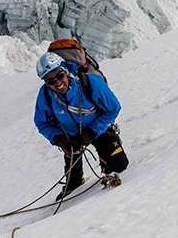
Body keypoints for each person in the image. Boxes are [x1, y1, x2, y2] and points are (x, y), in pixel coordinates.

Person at [33, 52, 129, 199]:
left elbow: (113, 108)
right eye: (51, 81)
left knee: (119, 165)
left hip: (98, 129)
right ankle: (75, 181)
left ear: (66, 71)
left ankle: (106, 160)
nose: (57, 83)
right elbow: (41, 122)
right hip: (70, 137)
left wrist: (92, 132)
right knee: (73, 163)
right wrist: (59, 139)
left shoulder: (91, 83)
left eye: (60, 76)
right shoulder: (45, 95)